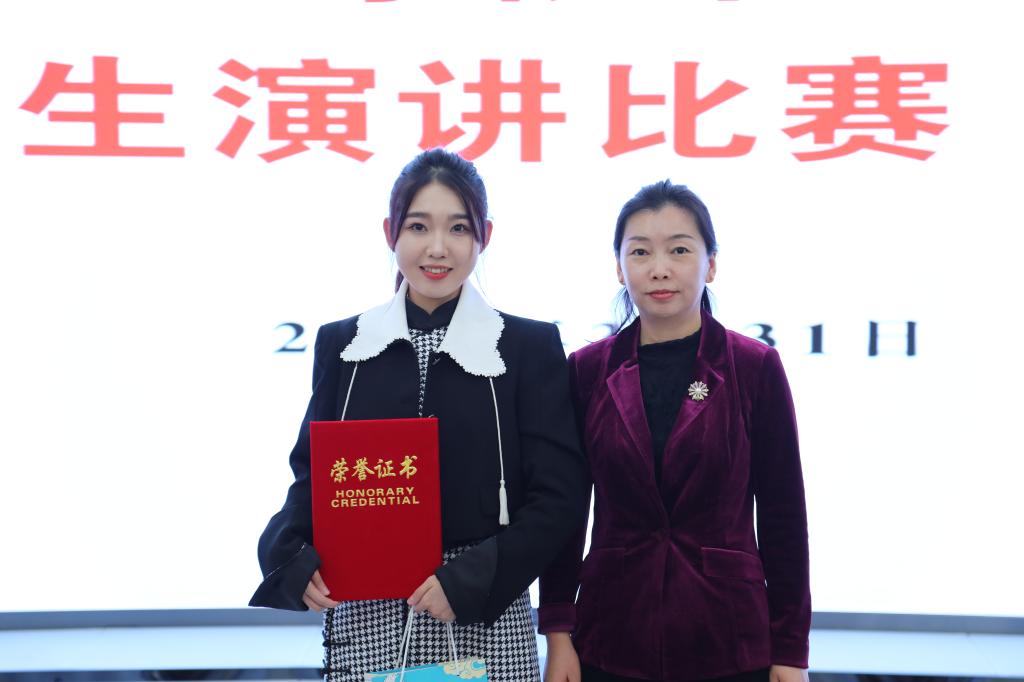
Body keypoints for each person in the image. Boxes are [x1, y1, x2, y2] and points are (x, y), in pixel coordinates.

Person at [250, 149, 587, 682]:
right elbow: (314, 477)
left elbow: (560, 497)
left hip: (483, 616)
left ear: (484, 236)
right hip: (368, 617)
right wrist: (287, 552)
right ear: (391, 232)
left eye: (458, 228)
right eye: (418, 226)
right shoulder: (345, 344)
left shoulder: (526, 346)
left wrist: (471, 580)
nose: (437, 248)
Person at [539, 180, 811, 682]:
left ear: (711, 264)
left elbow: (784, 515)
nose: (659, 268)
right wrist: (557, 630)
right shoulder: (587, 370)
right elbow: (566, 510)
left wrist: (791, 651)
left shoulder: (754, 366)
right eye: (640, 252)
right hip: (611, 635)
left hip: (729, 637)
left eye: (680, 250)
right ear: (619, 267)